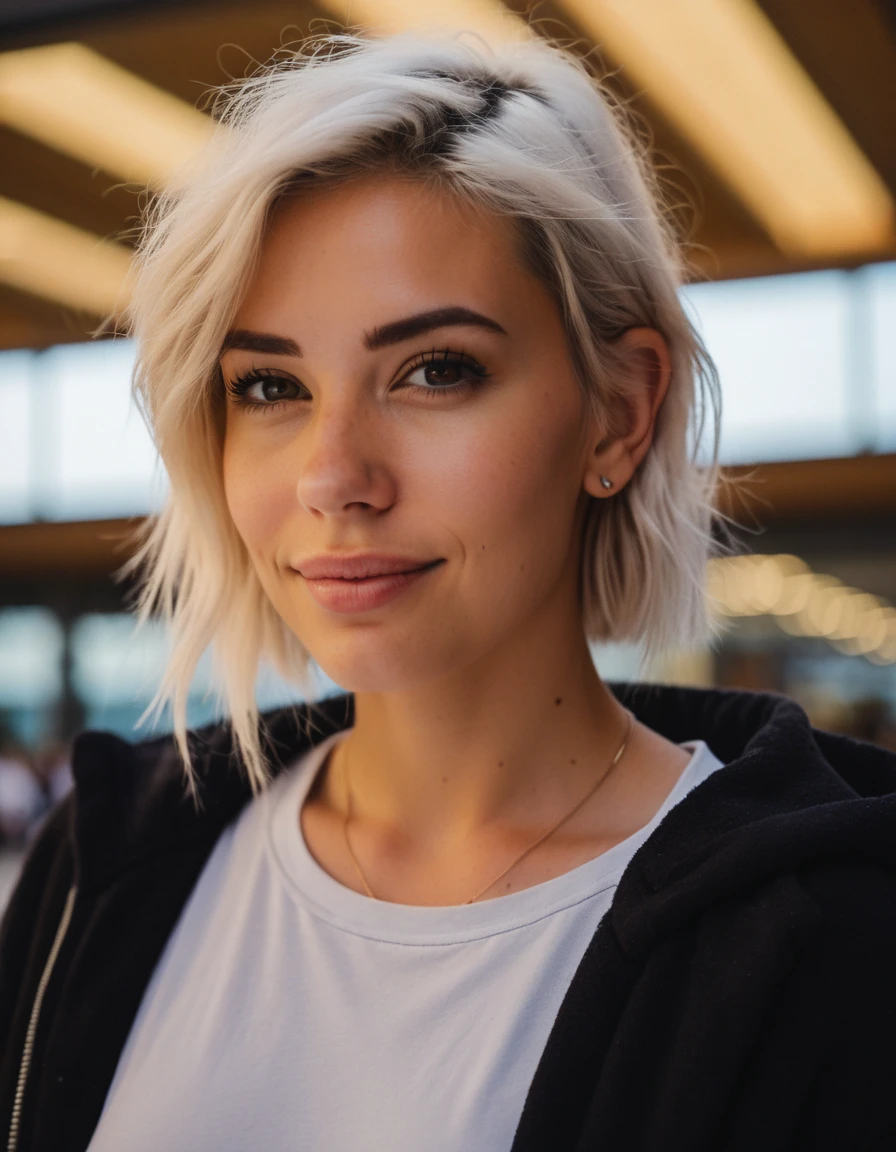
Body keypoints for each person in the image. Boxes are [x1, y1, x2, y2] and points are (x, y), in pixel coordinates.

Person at [2, 30, 895, 1152]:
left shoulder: (827, 945)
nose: (333, 477)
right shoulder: (106, 867)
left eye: (434, 371)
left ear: (619, 410)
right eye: (270, 385)